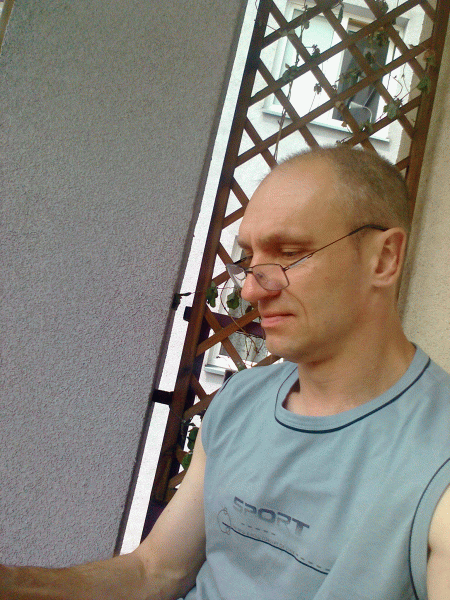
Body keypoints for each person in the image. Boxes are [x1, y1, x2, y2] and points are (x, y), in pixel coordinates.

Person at [1, 145, 450, 600]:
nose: (252, 289)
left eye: (289, 253)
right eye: (249, 260)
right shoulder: (242, 398)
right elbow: (154, 572)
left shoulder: (437, 456)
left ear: (384, 259)